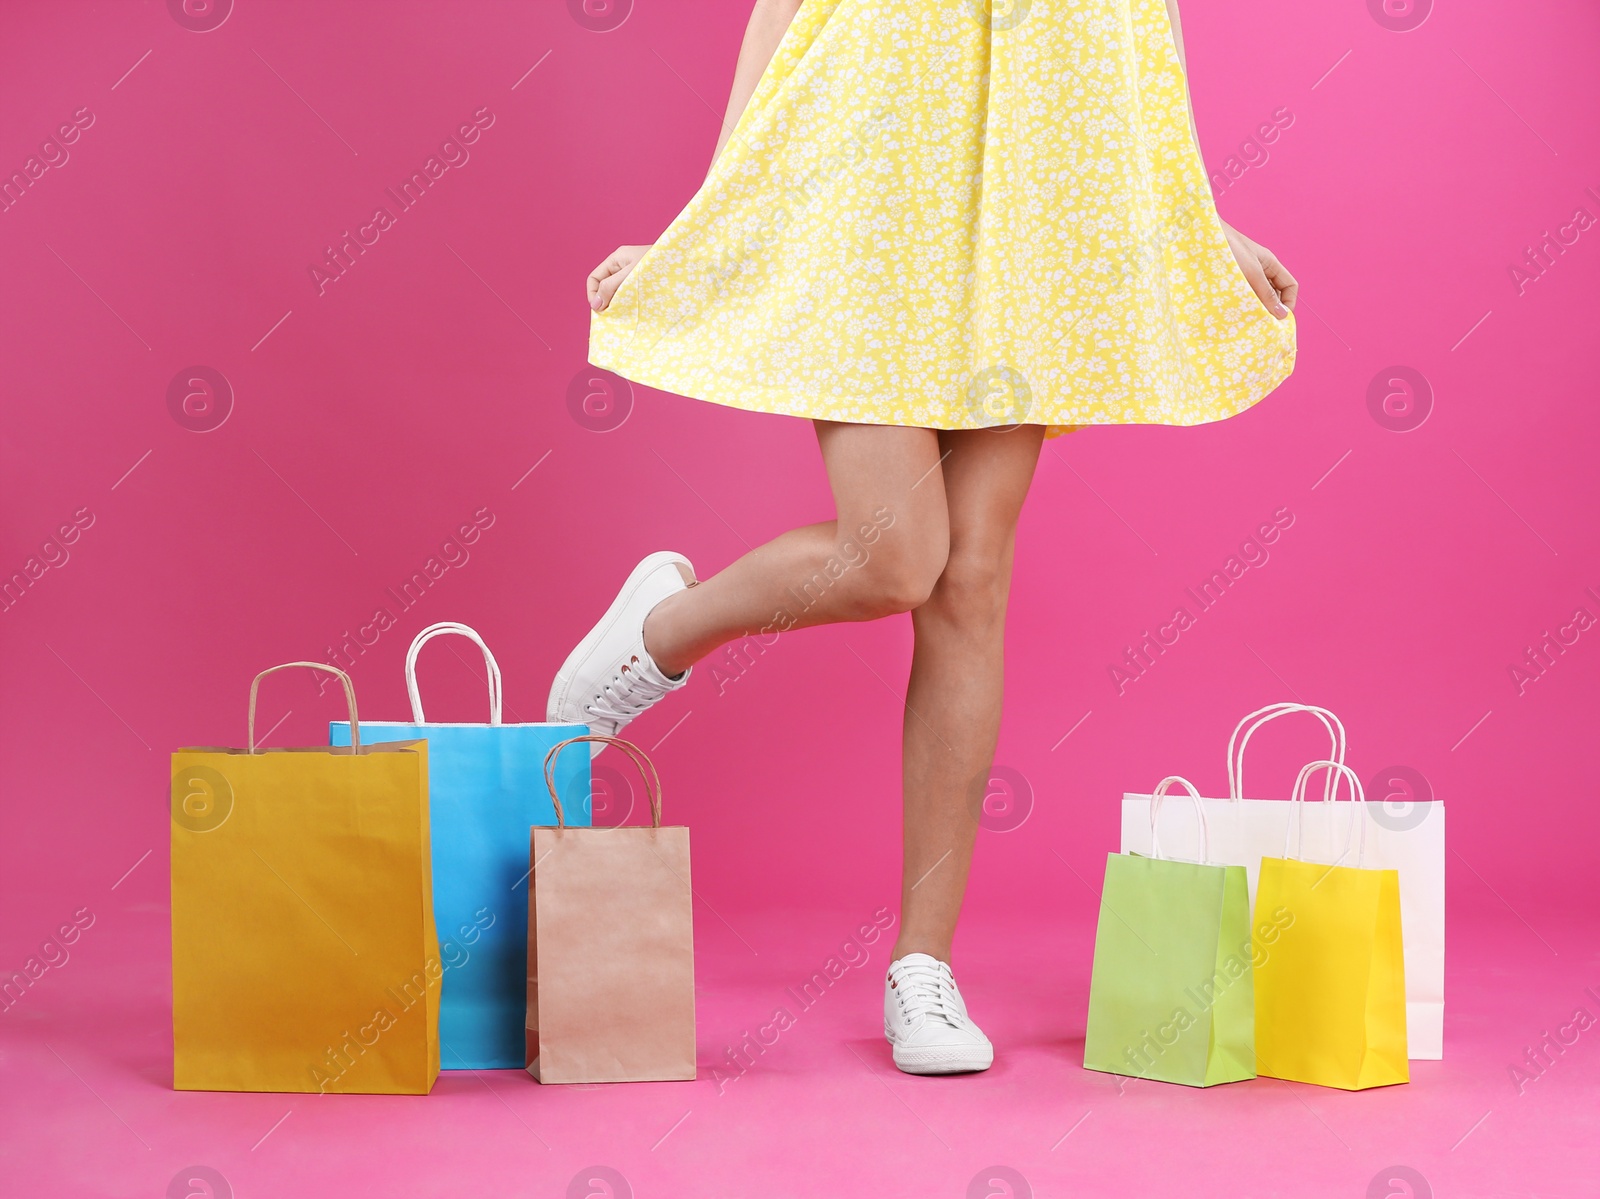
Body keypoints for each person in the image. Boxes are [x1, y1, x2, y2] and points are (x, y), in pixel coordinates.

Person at [549, 0, 1298, 1077]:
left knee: (971, 579)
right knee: (893, 556)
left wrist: (1191, 219)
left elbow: (1139, 36)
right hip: (870, 186)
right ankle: (662, 627)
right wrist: (713, 206)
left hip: (1036, 216)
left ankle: (921, 967)